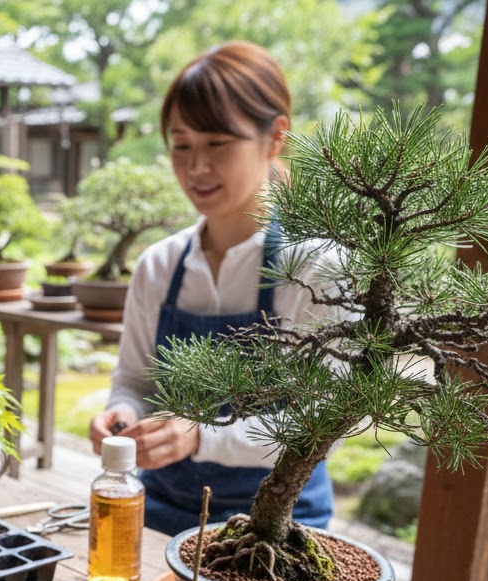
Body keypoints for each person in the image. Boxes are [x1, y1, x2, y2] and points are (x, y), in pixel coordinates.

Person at [89, 41, 342, 536]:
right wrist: (122, 412)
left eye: (217, 144)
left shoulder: (318, 267)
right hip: (161, 511)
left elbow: (322, 427)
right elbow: (135, 381)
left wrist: (201, 436)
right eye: (181, 145)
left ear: (275, 138)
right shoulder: (159, 266)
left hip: (279, 531)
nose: (196, 167)